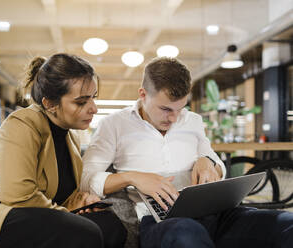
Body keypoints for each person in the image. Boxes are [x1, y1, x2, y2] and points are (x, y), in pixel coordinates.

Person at [81, 57, 293, 248]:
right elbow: (86, 178)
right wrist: (133, 177)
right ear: (143, 94)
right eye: (165, 109)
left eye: (180, 108)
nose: (173, 118)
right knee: (186, 235)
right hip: (161, 222)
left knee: (285, 223)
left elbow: (216, 162)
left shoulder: (193, 121)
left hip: (215, 214)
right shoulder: (114, 125)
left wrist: (208, 162)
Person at [0, 53, 127, 248]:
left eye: (93, 97)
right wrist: (67, 212)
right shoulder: (22, 123)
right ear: (50, 103)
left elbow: (58, 194)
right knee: (83, 231)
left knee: (110, 226)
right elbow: (19, 197)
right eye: (81, 101)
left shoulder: (69, 137)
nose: (93, 108)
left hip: (26, 217)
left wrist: (81, 201)